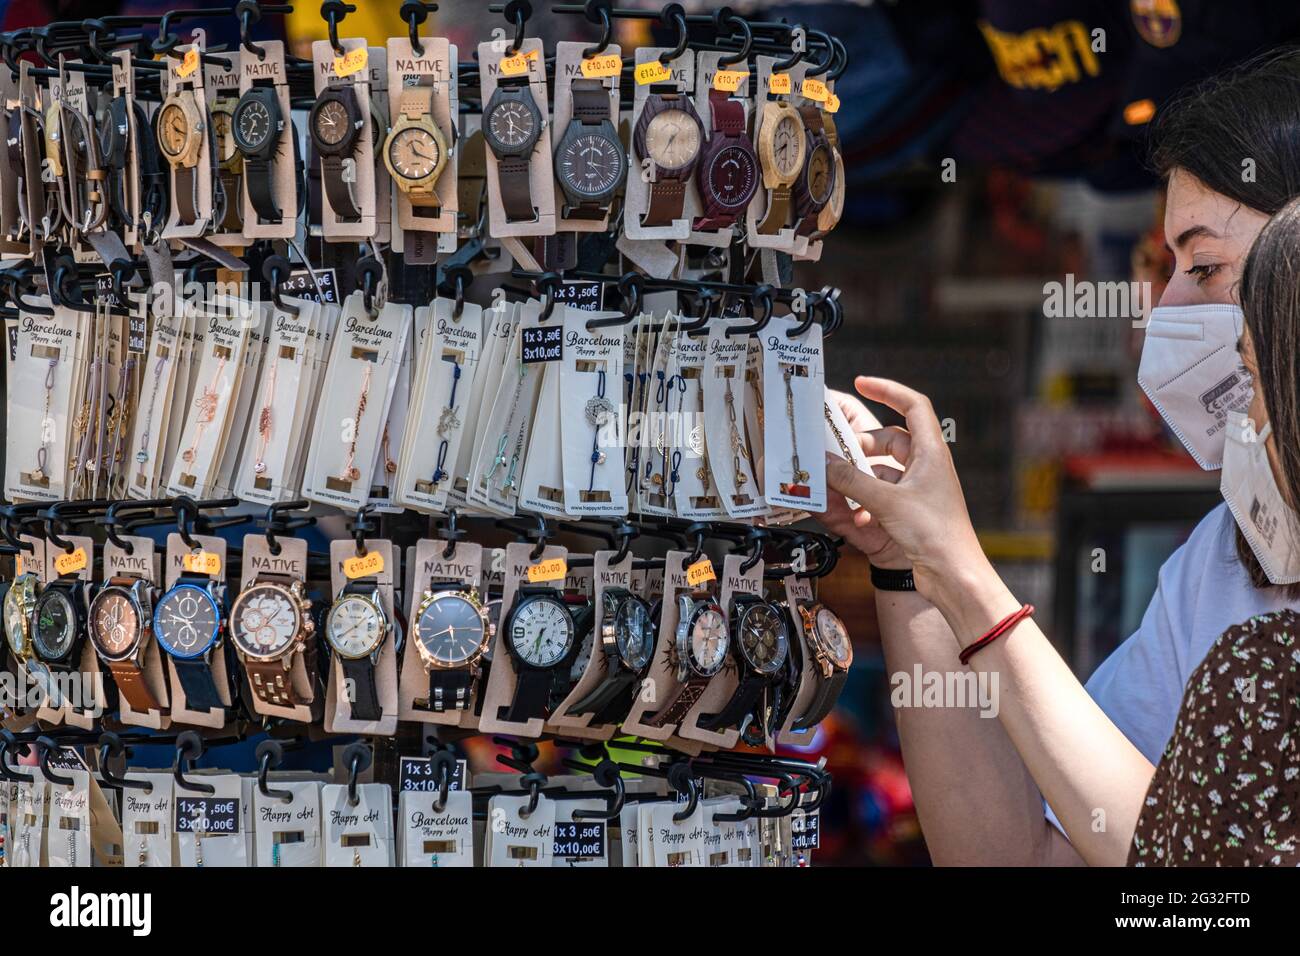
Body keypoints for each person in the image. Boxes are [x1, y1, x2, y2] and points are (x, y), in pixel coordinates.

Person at [822, 51, 1300, 866]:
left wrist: (959, 568)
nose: (1167, 309)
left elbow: (1175, 867)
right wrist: (911, 563)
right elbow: (1026, 853)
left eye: (1208, 266)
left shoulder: (1256, 660)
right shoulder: (1220, 567)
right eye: (1164, 268)